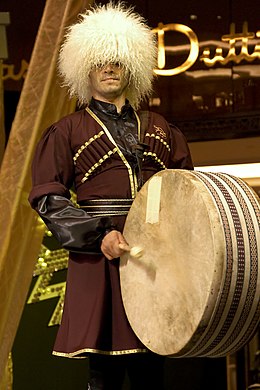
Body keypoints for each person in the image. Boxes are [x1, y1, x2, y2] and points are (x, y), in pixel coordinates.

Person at [29, 2, 194, 389]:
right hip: (99, 255)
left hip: (156, 257)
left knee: (152, 366)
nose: (109, 68)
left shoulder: (163, 130)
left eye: (117, 60)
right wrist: (97, 235)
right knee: (103, 372)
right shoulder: (66, 131)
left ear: (131, 67)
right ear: (84, 67)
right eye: (100, 60)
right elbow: (47, 198)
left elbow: (187, 196)